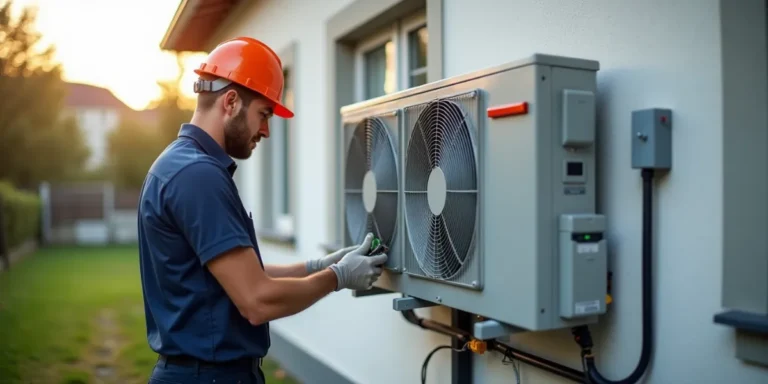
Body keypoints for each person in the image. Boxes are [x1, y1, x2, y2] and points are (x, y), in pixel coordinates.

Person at [137, 36, 388, 384]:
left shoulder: (181, 166)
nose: (267, 131)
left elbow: (241, 274)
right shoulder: (198, 176)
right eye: (264, 114)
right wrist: (338, 278)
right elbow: (256, 300)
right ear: (230, 102)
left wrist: (318, 265)